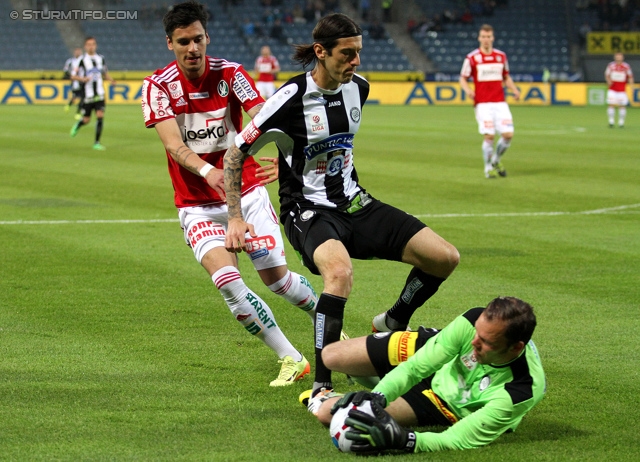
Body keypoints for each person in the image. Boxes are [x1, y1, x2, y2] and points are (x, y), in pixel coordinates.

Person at [223, 13, 459, 410]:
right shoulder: (288, 99)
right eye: (348, 54)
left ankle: (392, 322)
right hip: (308, 211)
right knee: (339, 274)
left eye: (359, 53)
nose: (356, 62)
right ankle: (321, 386)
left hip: (354, 202)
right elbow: (235, 154)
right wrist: (234, 215)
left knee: (444, 257)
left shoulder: (359, 89)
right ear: (321, 51)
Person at [141, 0, 319, 387]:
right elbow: (174, 145)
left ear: (208, 37)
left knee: (278, 281)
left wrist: (286, 158)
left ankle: (326, 322)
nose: (193, 49)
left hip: (248, 192)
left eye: (199, 39)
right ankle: (291, 357)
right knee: (227, 283)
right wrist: (210, 172)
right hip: (196, 204)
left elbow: (264, 116)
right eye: (184, 41)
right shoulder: (157, 86)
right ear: (169, 43)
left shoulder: (232, 73)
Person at [311, 296, 546, 454]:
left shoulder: (521, 390)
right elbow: (416, 368)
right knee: (332, 356)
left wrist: (407, 440)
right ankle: (378, 382)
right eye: (477, 333)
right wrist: (379, 396)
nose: (474, 342)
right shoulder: (472, 322)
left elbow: (455, 440)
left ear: (516, 347)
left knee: (330, 415)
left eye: (486, 342)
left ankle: (372, 380)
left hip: (445, 403)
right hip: (439, 356)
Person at [459, 24, 520, 179]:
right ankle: (488, 168)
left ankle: (495, 160)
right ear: (479, 38)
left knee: (508, 135)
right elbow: (463, 78)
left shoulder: (501, 56)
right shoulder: (472, 58)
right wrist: (467, 90)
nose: (486, 40)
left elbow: (506, 77)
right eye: (483, 37)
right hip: (482, 103)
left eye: (488, 37)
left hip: (500, 102)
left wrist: (514, 89)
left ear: (492, 38)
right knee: (489, 136)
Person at [69, 37, 115, 151]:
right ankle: (79, 124)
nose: (91, 46)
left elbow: (105, 72)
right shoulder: (81, 60)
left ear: (96, 45)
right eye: (89, 44)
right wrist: (82, 78)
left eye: (93, 44)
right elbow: (72, 75)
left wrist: (111, 80)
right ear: (85, 46)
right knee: (86, 120)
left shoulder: (100, 59)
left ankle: (97, 142)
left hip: (100, 93)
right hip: (88, 94)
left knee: (100, 115)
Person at [605, 52, 634, 128]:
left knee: (622, 106)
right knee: (611, 104)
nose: (618, 58)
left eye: (620, 57)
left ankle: (621, 122)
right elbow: (607, 75)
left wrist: (632, 86)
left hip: (621, 90)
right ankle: (611, 121)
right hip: (612, 89)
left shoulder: (626, 66)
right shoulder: (611, 66)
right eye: (617, 57)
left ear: (622, 58)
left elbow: (630, 76)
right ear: (615, 57)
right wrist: (608, 81)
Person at [63, 47, 84, 117]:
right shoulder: (70, 61)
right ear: (74, 52)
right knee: (75, 96)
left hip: (83, 81)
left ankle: (78, 112)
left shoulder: (84, 60)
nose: (78, 52)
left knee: (83, 97)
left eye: (79, 51)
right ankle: (69, 105)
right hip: (75, 82)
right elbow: (65, 70)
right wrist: (71, 76)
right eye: (76, 51)